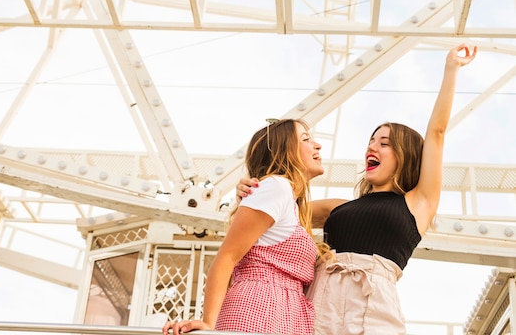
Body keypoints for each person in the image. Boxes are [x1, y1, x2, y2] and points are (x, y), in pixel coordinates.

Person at [235, 43, 477, 334]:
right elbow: (278, 210)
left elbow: (436, 133)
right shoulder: (340, 207)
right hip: (320, 297)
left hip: (374, 302)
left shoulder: (419, 203)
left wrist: (451, 68)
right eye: (371, 142)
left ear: (407, 155)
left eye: (384, 143)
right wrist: (250, 190)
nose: (372, 147)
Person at [162, 119, 329, 335]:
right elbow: (227, 256)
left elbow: (340, 209)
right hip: (258, 312)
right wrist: (208, 324)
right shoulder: (276, 187)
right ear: (284, 151)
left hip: (281, 316)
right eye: (306, 139)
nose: (317, 145)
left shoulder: (289, 202)